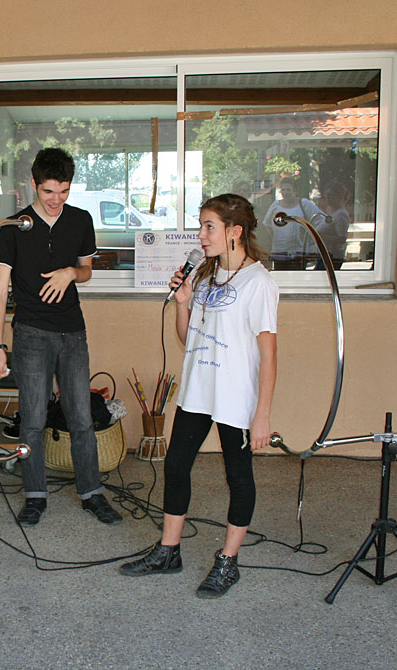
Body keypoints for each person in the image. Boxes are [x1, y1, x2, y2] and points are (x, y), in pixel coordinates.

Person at [120, 193, 278, 598]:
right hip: (197, 392)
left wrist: (262, 414)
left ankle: (228, 561)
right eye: (200, 226)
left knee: (237, 476)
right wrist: (183, 303)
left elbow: (269, 355)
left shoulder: (258, 282)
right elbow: (190, 341)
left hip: (235, 398)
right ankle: (168, 551)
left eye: (209, 227)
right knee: (175, 466)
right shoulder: (206, 278)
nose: (201, 235)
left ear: (235, 232)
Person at [0, 147, 122, 527]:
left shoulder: (80, 220)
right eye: (49, 191)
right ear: (33, 185)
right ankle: (34, 495)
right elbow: (0, 291)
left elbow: (87, 271)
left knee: (81, 416)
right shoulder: (15, 227)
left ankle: (91, 493)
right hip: (30, 334)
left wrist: (70, 273)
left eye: (64, 190)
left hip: (72, 331)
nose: (56, 200)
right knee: (32, 420)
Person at [260, 178, 326, 269]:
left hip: (298, 253)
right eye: (283, 189)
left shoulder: (304, 204)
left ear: (295, 191)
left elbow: (321, 220)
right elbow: (267, 224)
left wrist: (308, 234)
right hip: (279, 253)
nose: (285, 192)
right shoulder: (275, 205)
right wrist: (275, 236)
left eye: (288, 189)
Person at [315, 182, 352, 269]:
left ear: (339, 197)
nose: (327, 197)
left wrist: (321, 236)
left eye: (330, 195)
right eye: (326, 195)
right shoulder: (331, 212)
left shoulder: (341, 215)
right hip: (324, 254)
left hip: (332, 256)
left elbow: (342, 238)